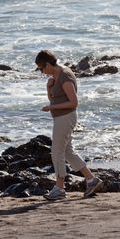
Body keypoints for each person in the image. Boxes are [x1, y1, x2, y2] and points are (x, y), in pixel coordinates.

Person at [35, 50, 103, 200]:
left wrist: (51, 108)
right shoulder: (55, 76)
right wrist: (48, 88)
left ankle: (59, 188)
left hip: (66, 118)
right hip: (61, 118)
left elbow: (73, 102)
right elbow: (54, 98)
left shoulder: (65, 75)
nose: (42, 72)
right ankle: (92, 180)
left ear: (47, 64)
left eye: (41, 68)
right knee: (67, 152)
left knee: (56, 152)